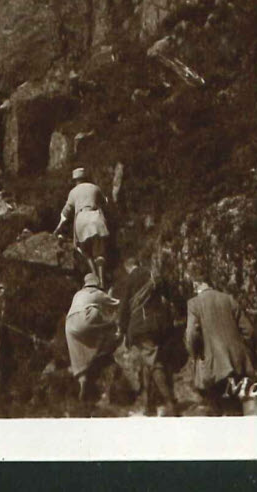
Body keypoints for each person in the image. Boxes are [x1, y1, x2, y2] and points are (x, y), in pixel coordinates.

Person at [184, 272, 255, 414]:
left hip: (213, 365)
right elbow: (248, 330)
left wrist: (194, 353)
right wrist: (239, 347)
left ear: (197, 285)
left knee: (217, 407)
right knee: (235, 405)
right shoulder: (228, 299)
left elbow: (191, 335)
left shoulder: (194, 304)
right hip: (237, 361)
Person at [118, 257, 177, 415]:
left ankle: (170, 403)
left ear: (128, 267)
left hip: (142, 326)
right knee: (147, 363)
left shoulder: (131, 278)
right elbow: (170, 295)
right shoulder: (153, 274)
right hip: (159, 325)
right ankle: (148, 405)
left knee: (154, 362)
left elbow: (124, 307)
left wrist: (122, 329)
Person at [64, 272, 121, 401]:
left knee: (77, 355)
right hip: (85, 319)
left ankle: (82, 380)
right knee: (97, 313)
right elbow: (115, 303)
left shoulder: (78, 294)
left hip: (69, 325)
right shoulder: (96, 293)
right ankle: (112, 335)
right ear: (96, 284)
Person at [53, 167, 111, 288]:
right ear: (86, 178)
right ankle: (102, 281)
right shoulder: (95, 187)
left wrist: (58, 228)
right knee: (99, 252)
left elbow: (65, 213)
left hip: (82, 220)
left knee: (85, 250)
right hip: (96, 218)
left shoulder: (73, 192)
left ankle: (94, 277)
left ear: (75, 180)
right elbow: (105, 202)